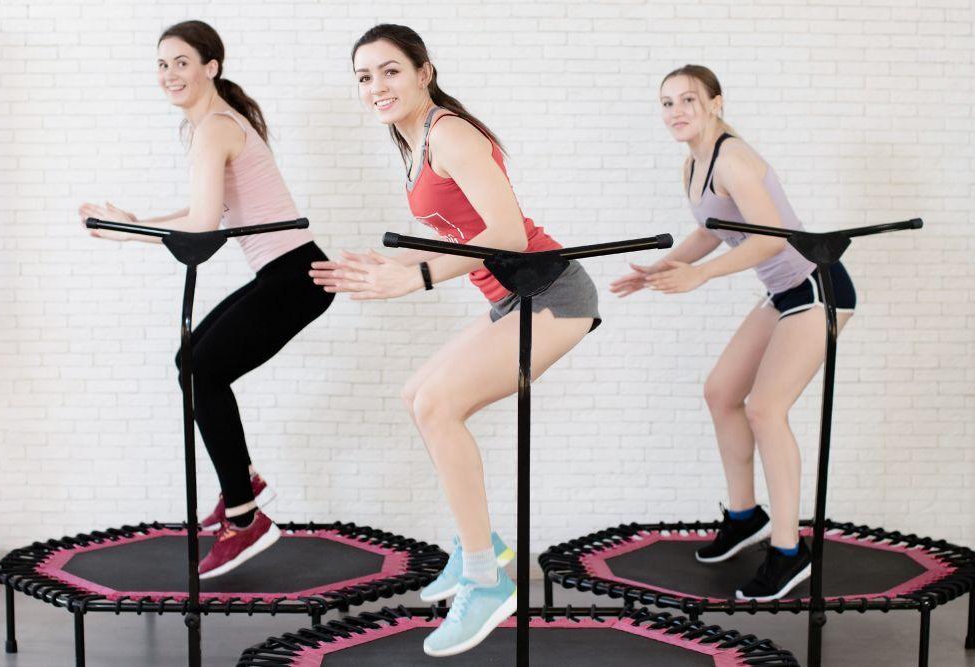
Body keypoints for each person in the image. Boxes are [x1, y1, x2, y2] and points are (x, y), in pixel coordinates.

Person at [310, 24, 600, 657]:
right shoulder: (411, 138)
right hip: (509, 299)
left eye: (390, 71)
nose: (377, 87)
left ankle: (486, 579)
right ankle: (488, 546)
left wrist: (414, 277)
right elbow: (460, 235)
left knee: (440, 406)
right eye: (364, 77)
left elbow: (508, 235)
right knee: (418, 395)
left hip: (553, 294)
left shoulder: (450, 133)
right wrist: (391, 268)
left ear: (425, 72)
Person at [78, 20, 333, 579]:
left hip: (296, 276)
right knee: (190, 365)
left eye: (182, 62)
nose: (170, 74)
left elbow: (200, 226)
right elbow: (210, 216)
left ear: (211, 66)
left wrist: (127, 231)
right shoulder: (213, 125)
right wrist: (136, 224)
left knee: (202, 372)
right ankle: (245, 481)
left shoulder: (215, 126)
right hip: (285, 275)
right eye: (162, 64)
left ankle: (245, 519)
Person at [612, 64, 856, 601]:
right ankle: (745, 516)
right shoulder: (693, 164)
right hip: (783, 295)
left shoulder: (735, 158)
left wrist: (700, 275)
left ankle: (791, 552)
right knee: (722, 392)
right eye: (667, 103)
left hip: (818, 286)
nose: (676, 112)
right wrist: (659, 269)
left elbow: (774, 241)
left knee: (765, 409)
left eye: (688, 101)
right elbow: (712, 230)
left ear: (716, 103)